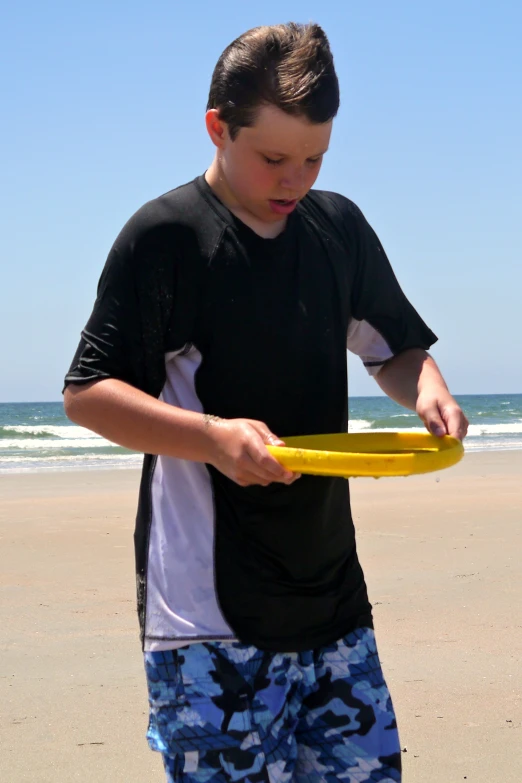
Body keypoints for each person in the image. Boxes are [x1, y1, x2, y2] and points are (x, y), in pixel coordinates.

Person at [63, 21, 468, 783]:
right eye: (274, 158)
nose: (296, 180)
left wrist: (429, 389)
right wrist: (213, 437)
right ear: (218, 127)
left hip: (333, 603)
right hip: (207, 621)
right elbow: (88, 395)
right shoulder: (167, 239)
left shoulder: (337, 230)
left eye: (315, 158)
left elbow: (395, 350)